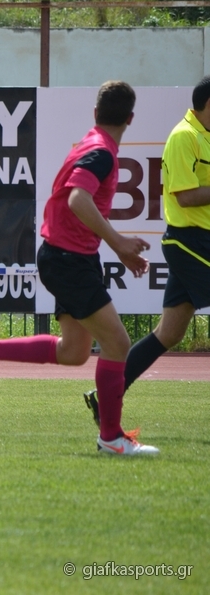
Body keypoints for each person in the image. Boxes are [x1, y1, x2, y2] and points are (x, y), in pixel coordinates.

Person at [0, 81, 159, 456]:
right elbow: (78, 199)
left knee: (74, 351)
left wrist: (111, 246)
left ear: (95, 113)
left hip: (67, 257)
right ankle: (111, 438)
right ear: (130, 118)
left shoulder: (89, 143)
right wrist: (118, 243)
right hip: (68, 260)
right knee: (118, 344)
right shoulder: (101, 152)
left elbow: (74, 199)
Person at [84, 76, 210, 426]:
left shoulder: (204, 136)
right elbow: (185, 196)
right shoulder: (184, 136)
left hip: (199, 240)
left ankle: (105, 394)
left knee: (169, 333)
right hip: (189, 241)